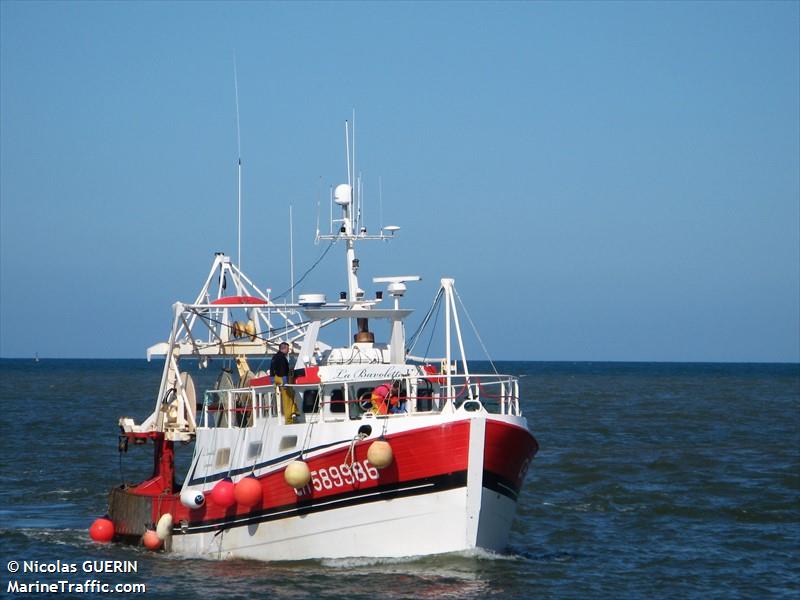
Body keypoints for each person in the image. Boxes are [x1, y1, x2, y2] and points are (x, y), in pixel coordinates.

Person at [270, 342, 298, 424]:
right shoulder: (282, 358)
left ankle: (293, 413)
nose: (288, 351)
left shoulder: (274, 357)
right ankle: (289, 420)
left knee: (289, 397)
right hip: (281, 379)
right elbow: (282, 370)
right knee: (288, 400)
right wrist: (285, 382)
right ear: (284, 348)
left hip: (275, 379)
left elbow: (272, 370)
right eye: (288, 349)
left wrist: (272, 380)